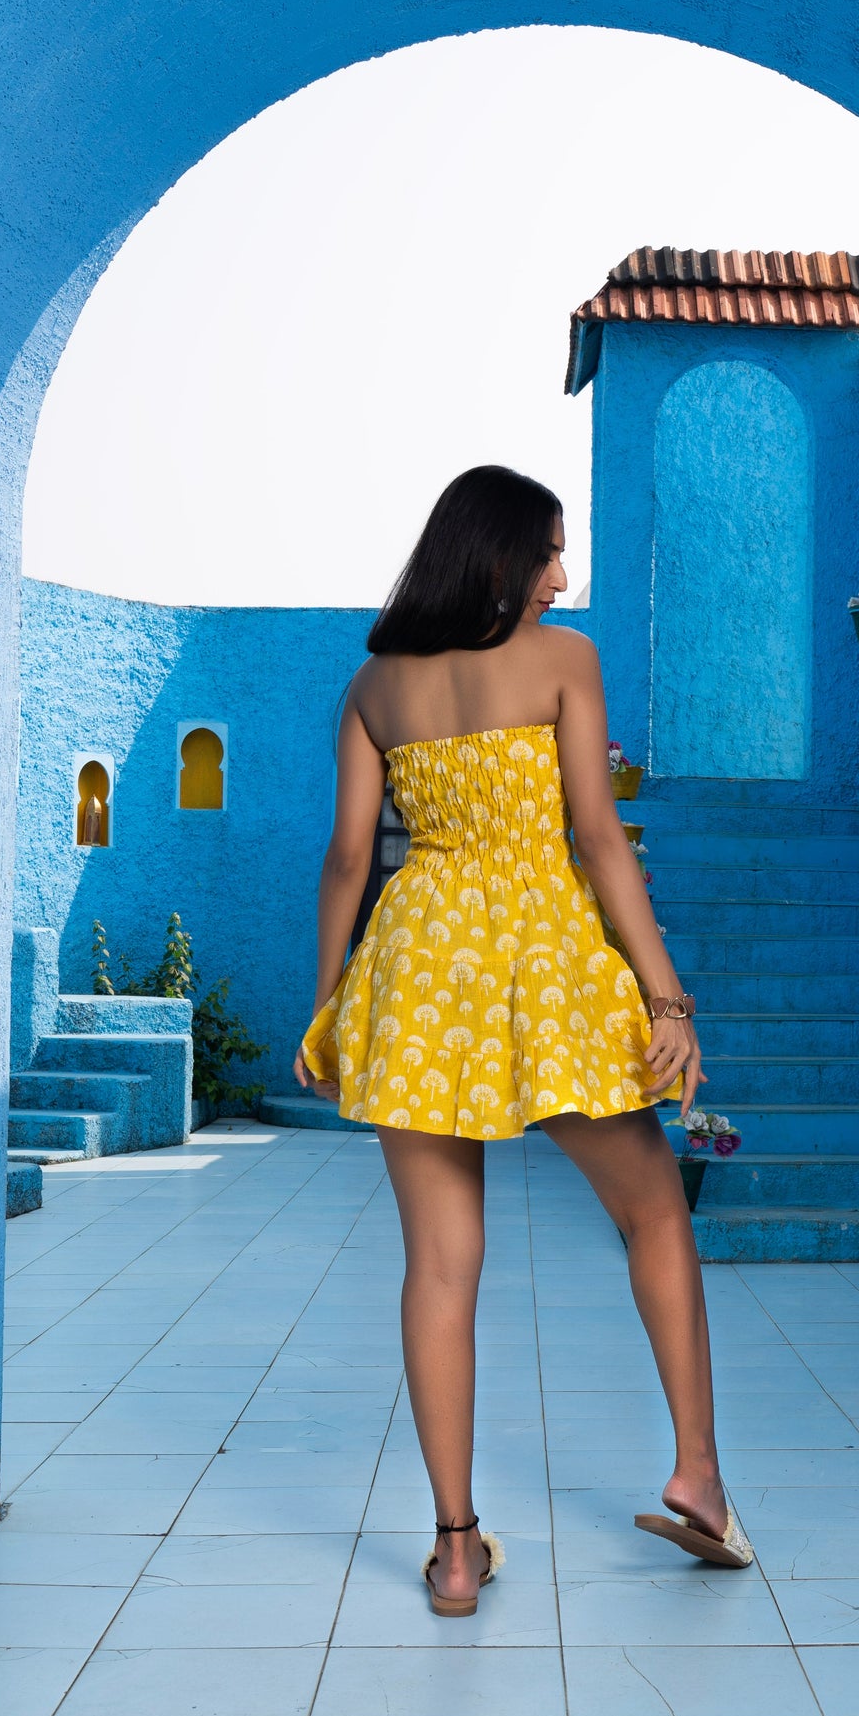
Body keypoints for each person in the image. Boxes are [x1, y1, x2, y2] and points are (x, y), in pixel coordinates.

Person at [295, 464, 751, 1614]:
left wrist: (327, 1004)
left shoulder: (373, 688)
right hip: (539, 959)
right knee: (652, 1210)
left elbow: (350, 858)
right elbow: (597, 838)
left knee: (439, 1267)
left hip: (413, 964)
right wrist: (666, 999)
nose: (565, 573)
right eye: (549, 551)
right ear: (498, 558)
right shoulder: (565, 663)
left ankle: (454, 1548)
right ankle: (697, 1477)